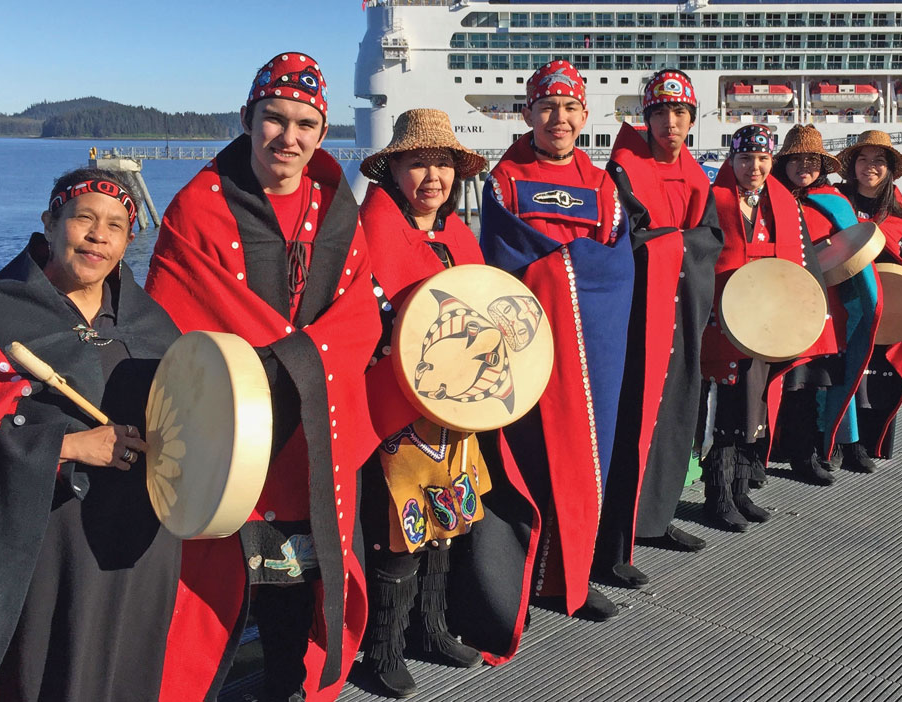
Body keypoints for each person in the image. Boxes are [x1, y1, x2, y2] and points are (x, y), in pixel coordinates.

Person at [145, 53, 379, 702]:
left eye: (306, 123)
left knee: (290, 603)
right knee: (197, 604)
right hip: (223, 440)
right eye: (274, 118)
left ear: (322, 133)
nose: (289, 136)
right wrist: (295, 354)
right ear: (247, 119)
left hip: (306, 444)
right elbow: (171, 318)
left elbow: (358, 316)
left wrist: (296, 360)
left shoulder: (337, 209)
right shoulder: (198, 207)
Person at [0, 168, 181, 701]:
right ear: (50, 223)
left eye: (115, 226)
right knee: (49, 675)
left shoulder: (149, 321)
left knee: (128, 670)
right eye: (83, 218)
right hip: (48, 541)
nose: (98, 235)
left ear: (130, 241)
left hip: (137, 542)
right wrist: (66, 446)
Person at [355, 109, 540, 697]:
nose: (431, 176)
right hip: (393, 412)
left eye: (442, 164)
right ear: (394, 170)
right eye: (417, 163)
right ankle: (381, 650)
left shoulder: (458, 235)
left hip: (456, 412)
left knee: (447, 520)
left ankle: (429, 629)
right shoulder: (371, 234)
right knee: (398, 530)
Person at [479, 59, 634, 622]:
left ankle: (576, 573)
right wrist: (572, 270)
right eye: (547, 108)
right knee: (531, 457)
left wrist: (565, 270)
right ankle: (521, 579)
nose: (558, 119)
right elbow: (508, 254)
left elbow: (617, 264)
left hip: (595, 345)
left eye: (569, 108)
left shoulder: (601, 184)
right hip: (530, 341)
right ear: (528, 113)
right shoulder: (505, 180)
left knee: (591, 454)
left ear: (584, 115)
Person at [595, 69, 722, 590]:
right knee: (632, 420)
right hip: (638, 315)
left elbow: (709, 236)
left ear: (692, 119)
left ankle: (656, 518)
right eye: (661, 113)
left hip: (682, 308)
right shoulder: (623, 170)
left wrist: (678, 245)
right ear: (645, 118)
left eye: (681, 113)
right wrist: (678, 244)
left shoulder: (694, 172)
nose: (671, 123)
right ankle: (615, 541)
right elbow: (628, 236)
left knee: (678, 410)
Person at [698, 124, 828, 531]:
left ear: (771, 161)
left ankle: (741, 491)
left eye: (761, 159)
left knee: (754, 408)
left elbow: (804, 264)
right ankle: (717, 497)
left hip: (766, 319)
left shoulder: (782, 204)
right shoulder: (712, 200)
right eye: (744, 158)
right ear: (731, 160)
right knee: (725, 410)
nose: (753, 167)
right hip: (722, 321)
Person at [771, 124, 882, 484]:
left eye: (812, 159)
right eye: (797, 159)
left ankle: (812, 453)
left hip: (825, 308)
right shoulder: (769, 199)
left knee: (813, 382)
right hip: (778, 304)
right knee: (778, 383)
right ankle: (767, 457)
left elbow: (855, 254)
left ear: (821, 164)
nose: (805, 165)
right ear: (784, 162)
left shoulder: (835, 202)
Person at [835, 130, 902, 471]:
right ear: (852, 164)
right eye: (862, 159)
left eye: (877, 161)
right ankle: (835, 445)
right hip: (842, 306)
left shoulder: (900, 213)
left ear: (888, 168)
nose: (869, 167)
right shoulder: (837, 201)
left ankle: (865, 445)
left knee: (875, 378)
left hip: (884, 309)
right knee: (839, 376)